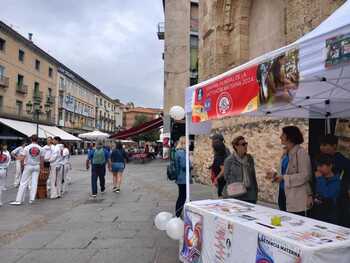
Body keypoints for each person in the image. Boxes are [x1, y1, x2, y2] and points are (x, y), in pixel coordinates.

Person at [266, 126, 312, 216]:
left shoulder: (301, 153)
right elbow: (284, 173)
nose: (280, 137)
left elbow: (305, 175)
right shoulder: (285, 153)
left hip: (296, 199)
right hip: (283, 195)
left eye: (283, 134)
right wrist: (274, 175)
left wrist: (283, 178)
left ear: (290, 137)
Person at [317, 135, 350, 227]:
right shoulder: (320, 158)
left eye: (325, 145)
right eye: (321, 145)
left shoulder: (342, 160)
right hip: (323, 199)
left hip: (338, 198)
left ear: (334, 146)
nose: (322, 147)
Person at [223, 136, 258, 204]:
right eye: (243, 144)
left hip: (250, 194)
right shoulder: (229, 160)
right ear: (236, 146)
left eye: (246, 144)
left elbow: (253, 176)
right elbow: (226, 177)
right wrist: (238, 185)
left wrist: (255, 191)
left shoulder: (249, 158)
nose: (245, 146)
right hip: (236, 194)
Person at [10, 135, 43, 205]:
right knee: (34, 183)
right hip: (37, 166)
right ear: (37, 140)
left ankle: (18, 200)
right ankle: (32, 199)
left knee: (23, 182)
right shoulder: (41, 148)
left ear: (31, 140)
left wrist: (21, 165)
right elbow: (42, 160)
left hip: (28, 166)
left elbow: (22, 158)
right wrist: (42, 169)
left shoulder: (27, 148)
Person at [312, 154, 341, 224]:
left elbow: (327, 194)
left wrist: (320, 179)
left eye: (321, 166)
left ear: (330, 166)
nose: (318, 168)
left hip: (329, 216)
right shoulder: (320, 178)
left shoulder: (336, 181)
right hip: (317, 213)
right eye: (317, 166)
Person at [174, 137, 190, 217]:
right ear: (184, 143)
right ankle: (178, 214)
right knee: (182, 197)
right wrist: (191, 165)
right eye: (188, 142)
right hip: (183, 178)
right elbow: (184, 165)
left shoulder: (178, 151)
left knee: (182, 196)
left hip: (180, 178)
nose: (189, 143)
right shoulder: (182, 152)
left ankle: (178, 214)